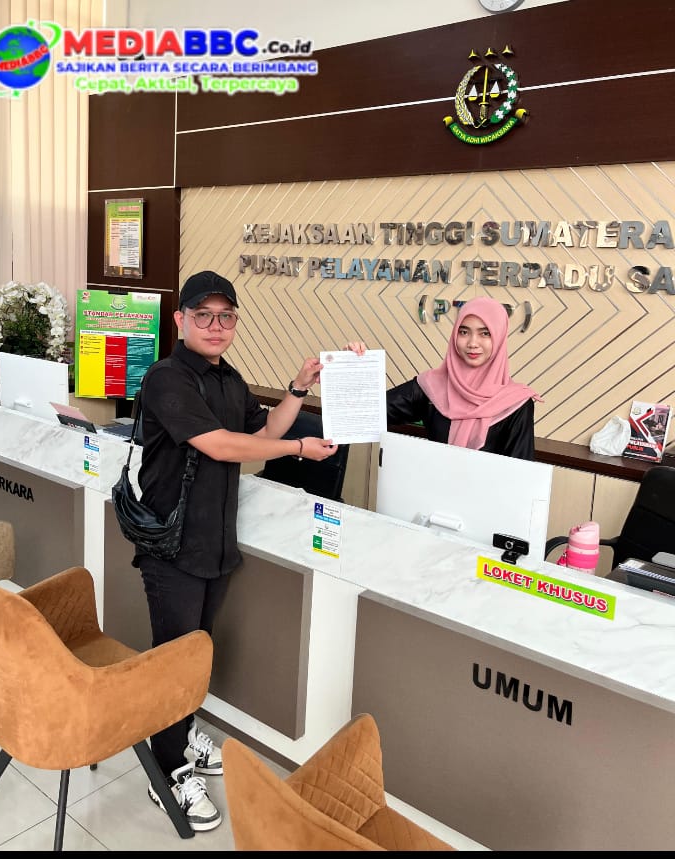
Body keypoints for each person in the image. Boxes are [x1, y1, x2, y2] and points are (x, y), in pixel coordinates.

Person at [135, 270, 338, 831]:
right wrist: (298, 448)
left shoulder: (229, 379)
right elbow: (222, 446)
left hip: (215, 541)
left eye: (226, 316)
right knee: (174, 660)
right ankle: (167, 769)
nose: (216, 326)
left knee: (197, 652)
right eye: (203, 315)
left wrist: (298, 387)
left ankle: (181, 735)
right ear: (180, 319)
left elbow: (265, 430)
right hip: (171, 545)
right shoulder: (166, 378)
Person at [346, 295, 541, 460]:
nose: (473, 343)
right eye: (464, 332)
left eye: (485, 333)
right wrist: (351, 367)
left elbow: (521, 475)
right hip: (431, 492)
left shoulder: (516, 404)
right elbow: (365, 413)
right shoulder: (432, 387)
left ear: (499, 339)